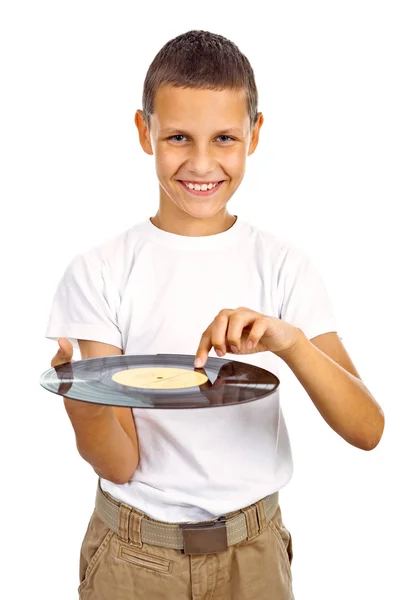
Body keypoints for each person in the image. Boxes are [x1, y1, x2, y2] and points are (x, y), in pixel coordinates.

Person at [45, 30, 384, 600]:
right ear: (143, 130)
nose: (201, 162)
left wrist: (291, 342)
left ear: (253, 134)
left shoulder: (282, 266)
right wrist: (85, 406)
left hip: (253, 557)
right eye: (178, 137)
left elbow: (367, 429)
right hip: (132, 557)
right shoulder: (100, 271)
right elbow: (121, 463)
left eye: (224, 137)